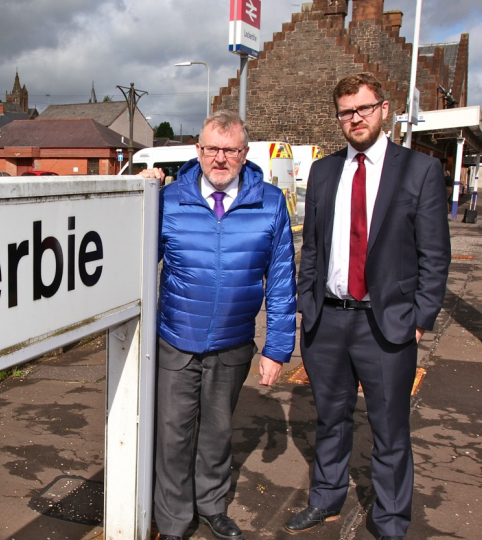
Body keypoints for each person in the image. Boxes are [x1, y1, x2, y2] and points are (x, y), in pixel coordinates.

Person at [288, 73, 451, 540]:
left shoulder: (417, 171)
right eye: (345, 111)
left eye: (362, 108)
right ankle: (326, 499)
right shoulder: (323, 171)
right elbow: (314, 248)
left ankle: (391, 521)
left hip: (387, 325)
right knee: (330, 418)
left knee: (389, 430)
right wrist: (307, 301)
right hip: (328, 321)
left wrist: (420, 318)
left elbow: (435, 255)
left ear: (383, 109)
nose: (354, 118)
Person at [141, 110, 297, 540]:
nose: (220, 159)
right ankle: (173, 520)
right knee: (172, 436)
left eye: (230, 150)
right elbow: (132, 263)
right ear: (199, 151)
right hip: (176, 339)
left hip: (233, 343)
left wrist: (277, 347)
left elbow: (282, 279)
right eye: (212, 149)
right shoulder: (167, 200)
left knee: (217, 432)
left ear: (245, 154)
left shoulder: (269, 203)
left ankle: (211, 504)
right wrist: (141, 189)